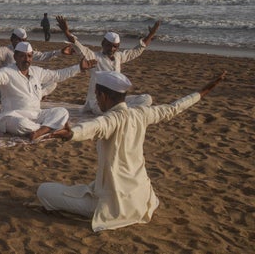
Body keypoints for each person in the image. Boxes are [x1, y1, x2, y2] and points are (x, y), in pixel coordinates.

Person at [37, 71, 226, 232]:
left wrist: (72, 134)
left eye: (96, 95)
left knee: (44, 191)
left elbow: (94, 126)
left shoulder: (112, 119)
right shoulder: (141, 113)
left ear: (103, 96)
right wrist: (202, 92)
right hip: (142, 198)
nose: (96, 99)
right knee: (84, 188)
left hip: (115, 203)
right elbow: (173, 108)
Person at [0, 42, 95, 141]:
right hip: (14, 116)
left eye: (29, 56)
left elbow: (57, 75)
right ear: (15, 56)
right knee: (21, 124)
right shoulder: (7, 72)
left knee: (62, 111)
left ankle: (41, 131)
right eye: (22, 56)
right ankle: (50, 129)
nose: (26, 59)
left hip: (37, 116)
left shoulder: (36, 72)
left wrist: (79, 68)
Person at [56, 16, 161, 114]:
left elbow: (137, 50)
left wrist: (151, 34)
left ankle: (126, 112)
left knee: (146, 98)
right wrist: (66, 32)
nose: (111, 49)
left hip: (116, 100)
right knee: (114, 111)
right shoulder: (93, 57)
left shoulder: (119, 57)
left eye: (115, 47)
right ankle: (126, 113)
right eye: (108, 45)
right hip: (98, 103)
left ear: (118, 47)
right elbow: (79, 47)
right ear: (103, 44)